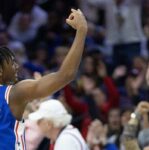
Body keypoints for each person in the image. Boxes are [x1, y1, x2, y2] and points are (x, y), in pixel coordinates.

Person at [0, 8, 88, 150]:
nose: (16, 67)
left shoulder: (13, 94)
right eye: (12, 63)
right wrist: (81, 31)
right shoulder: (13, 94)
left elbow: (66, 75)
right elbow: (65, 75)